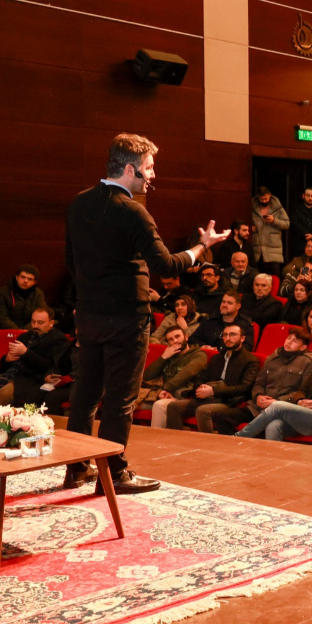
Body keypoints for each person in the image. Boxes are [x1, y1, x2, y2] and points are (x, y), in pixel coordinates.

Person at [64, 134, 233, 492]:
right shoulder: (132, 211)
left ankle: (76, 468)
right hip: (127, 318)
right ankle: (114, 473)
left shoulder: (80, 203)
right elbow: (167, 265)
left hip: (90, 316)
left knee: (85, 395)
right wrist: (201, 246)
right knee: (120, 399)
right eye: (149, 167)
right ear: (131, 169)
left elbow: (71, 260)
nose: (153, 175)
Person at [200, 328, 312, 435]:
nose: (289, 342)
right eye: (289, 338)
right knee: (223, 417)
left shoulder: (309, 362)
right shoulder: (273, 357)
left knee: (266, 427)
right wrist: (258, 396)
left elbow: (303, 392)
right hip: (258, 406)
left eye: (295, 341)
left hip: (283, 409)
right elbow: (259, 382)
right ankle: (232, 448)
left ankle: (244, 443)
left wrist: (277, 402)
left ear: (303, 347)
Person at [155, 323, 259, 431]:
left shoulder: (250, 360)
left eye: (232, 334)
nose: (228, 338)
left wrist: (214, 391)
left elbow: (245, 387)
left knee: (203, 411)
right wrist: (199, 387)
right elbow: (202, 377)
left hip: (228, 401)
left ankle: (206, 441)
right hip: (208, 398)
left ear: (242, 338)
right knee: (174, 406)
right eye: (225, 335)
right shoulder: (217, 358)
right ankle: (175, 439)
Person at [0, 307, 69, 406]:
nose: (35, 326)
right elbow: (4, 365)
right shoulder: (25, 336)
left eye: (40, 323)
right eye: (33, 322)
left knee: (4, 394)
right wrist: (7, 358)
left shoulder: (58, 340)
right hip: (10, 374)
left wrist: (26, 352)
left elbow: (49, 366)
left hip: (31, 380)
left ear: (51, 323)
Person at [135, 326, 208, 417]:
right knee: (127, 402)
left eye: (177, 336)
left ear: (186, 337)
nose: (175, 341)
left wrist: (166, 389)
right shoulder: (170, 355)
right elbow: (147, 376)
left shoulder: (199, 355)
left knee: (157, 405)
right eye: (171, 339)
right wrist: (163, 357)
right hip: (162, 393)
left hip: (182, 395)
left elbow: (187, 373)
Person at [249, 186, 289, 276]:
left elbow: (287, 224)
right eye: (261, 199)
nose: (264, 201)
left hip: (273, 249)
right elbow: (245, 222)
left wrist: (274, 220)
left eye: (265, 199)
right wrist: (251, 228)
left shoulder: (277, 208)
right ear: (257, 197)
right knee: (258, 276)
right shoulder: (252, 207)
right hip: (257, 249)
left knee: (274, 277)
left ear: (270, 195)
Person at [0, 264, 47, 330]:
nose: (26, 281)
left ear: (34, 282)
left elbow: (42, 313)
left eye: (30, 279)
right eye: (23, 277)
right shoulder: (1, 293)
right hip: (6, 330)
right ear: (17, 277)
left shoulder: (38, 293)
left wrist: (27, 330)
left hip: (29, 330)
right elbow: (0, 318)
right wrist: (18, 331)